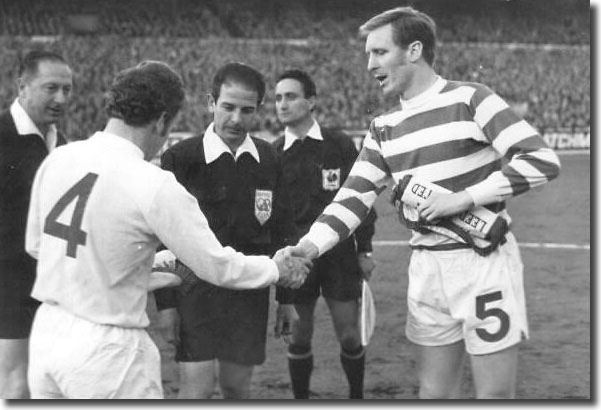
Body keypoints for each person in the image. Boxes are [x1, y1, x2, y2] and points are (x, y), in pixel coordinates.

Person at [287, 7, 561, 399]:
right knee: (433, 395)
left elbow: (540, 160)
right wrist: (309, 247)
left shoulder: (471, 99)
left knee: (495, 396)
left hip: (481, 266)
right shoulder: (383, 128)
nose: (369, 65)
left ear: (414, 50)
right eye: (368, 54)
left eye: (379, 52)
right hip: (427, 270)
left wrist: (463, 198)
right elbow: (350, 199)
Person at [24, 60, 310, 399]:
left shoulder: (59, 158)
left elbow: (38, 246)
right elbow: (216, 265)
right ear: (162, 119)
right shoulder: (152, 182)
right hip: (106, 351)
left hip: (47, 336)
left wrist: (138, 272)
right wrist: (276, 268)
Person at [155, 62, 296, 399]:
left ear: (259, 110)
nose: (236, 119)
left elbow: (282, 231)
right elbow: (163, 237)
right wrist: (166, 305)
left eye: (247, 110)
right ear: (211, 103)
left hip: (248, 293)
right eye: (228, 107)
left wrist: (287, 300)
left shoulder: (269, 158)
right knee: (196, 389)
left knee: (236, 387)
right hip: (194, 291)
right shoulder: (181, 157)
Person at [272, 69, 377, 400]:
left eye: (291, 96)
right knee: (299, 336)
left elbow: (362, 201)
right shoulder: (273, 153)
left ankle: (356, 398)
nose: (282, 104)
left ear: (311, 101)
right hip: (297, 259)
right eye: (277, 98)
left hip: (340, 255)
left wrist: (365, 250)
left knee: (348, 335)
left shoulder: (339, 144)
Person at [0, 50, 73, 399]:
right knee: (16, 385)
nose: (61, 98)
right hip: (8, 286)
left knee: (51, 384)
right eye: (51, 88)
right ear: (22, 86)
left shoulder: (65, 147)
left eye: (67, 89)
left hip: (55, 289)